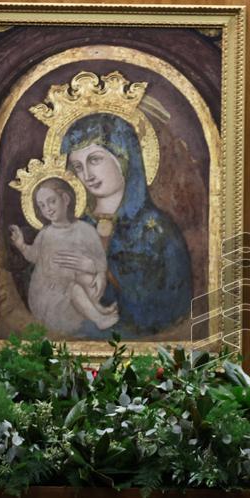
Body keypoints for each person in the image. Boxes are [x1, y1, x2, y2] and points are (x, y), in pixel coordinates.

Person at [60, 112, 193, 338]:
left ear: (123, 157)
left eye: (94, 160)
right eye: (78, 166)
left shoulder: (157, 231)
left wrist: (103, 270)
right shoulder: (74, 226)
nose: (87, 175)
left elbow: (170, 304)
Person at [9, 178, 119, 335]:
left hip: (75, 286)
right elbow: (33, 256)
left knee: (87, 279)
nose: (48, 209)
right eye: (42, 205)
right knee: (74, 288)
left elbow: (99, 258)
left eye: (51, 201)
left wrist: (98, 272)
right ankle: (99, 319)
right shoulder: (45, 234)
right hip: (49, 294)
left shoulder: (85, 230)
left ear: (66, 199)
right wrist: (21, 245)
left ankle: (98, 308)